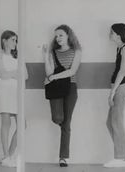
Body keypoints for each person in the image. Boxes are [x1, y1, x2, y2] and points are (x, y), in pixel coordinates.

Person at [42, 24, 82, 167]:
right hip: (57, 89)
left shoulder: (76, 51)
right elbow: (49, 73)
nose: (58, 38)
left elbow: (72, 71)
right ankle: (63, 125)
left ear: (68, 36)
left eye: (61, 35)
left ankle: (63, 157)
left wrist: (53, 78)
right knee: (58, 118)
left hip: (70, 88)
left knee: (66, 123)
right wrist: (46, 56)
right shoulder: (54, 52)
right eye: (56, 35)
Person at [104, 23, 125, 168]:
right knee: (110, 122)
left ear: (118, 34)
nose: (109, 35)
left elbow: (122, 71)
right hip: (119, 87)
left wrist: (113, 91)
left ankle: (120, 157)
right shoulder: (120, 48)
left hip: (121, 88)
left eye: (111, 32)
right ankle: (124, 155)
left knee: (116, 122)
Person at [0, 30, 28, 167]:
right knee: (6, 123)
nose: (15, 43)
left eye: (16, 40)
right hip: (4, 90)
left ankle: (8, 154)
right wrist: (16, 73)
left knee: (23, 125)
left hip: (17, 92)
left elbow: (25, 76)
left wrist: (13, 74)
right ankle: (6, 157)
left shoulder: (19, 57)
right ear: (4, 40)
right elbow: (2, 74)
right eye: (13, 40)